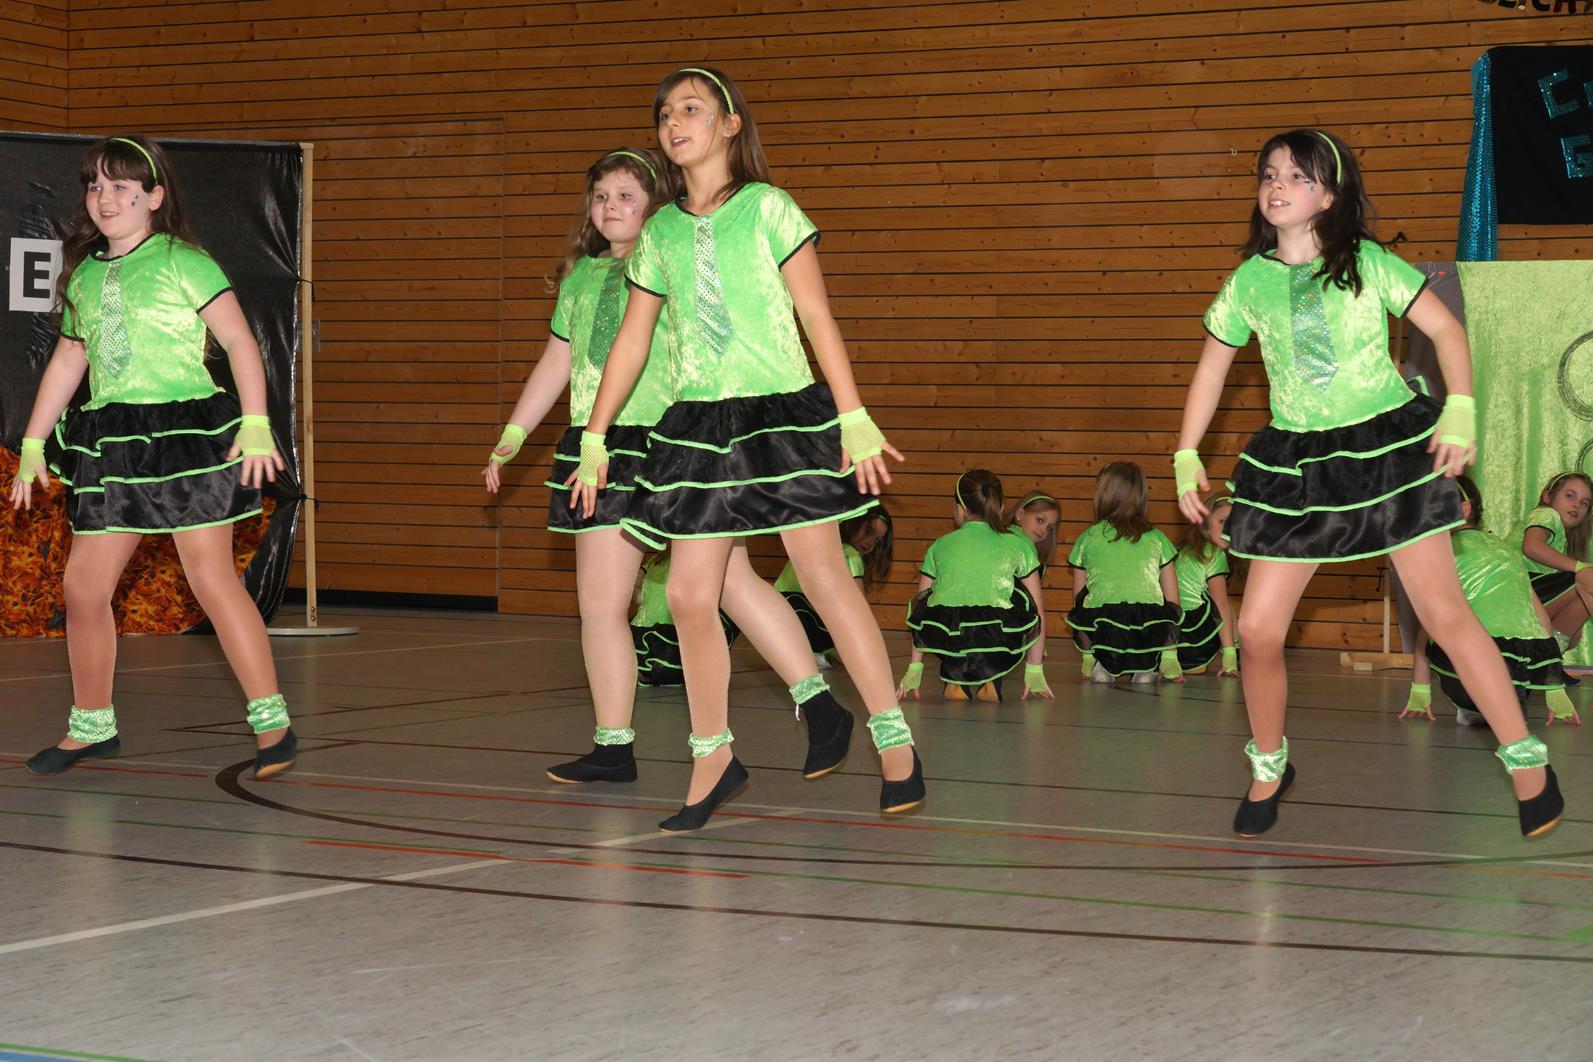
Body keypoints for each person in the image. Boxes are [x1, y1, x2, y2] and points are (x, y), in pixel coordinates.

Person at [1175, 128, 1562, 837]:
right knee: (1256, 631)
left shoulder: (1368, 263)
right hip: (1296, 464)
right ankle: (1269, 765)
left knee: (1444, 612)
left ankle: (1525, 759)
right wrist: (1185, 452)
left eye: (1297, 176)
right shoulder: (1247, 283)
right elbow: (1210, 370)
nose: (1277, 186)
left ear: (1329, 195)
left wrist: (1460, 406)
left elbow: (1446, 332)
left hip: (1386, 452)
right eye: (1269, 174)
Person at [569, 67, 923, 829]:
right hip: (700, 425)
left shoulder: (769, 207)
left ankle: (893, 742)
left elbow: (815, 315)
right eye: (664, 113)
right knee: (689, 596)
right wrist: (594, 435)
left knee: (823, 578)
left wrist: (853, 414)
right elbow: (632, 339)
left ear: (730, 124)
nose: (673, 123)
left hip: (782, 413)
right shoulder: (659, 233)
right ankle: (713, 757)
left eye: (690, 109)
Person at [484, 148, 858, 785]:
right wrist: (514, 433)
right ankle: (613, 744)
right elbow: (556, 361)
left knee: (730, 583)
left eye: (626, 196)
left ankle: (819, 704)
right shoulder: (579, 279)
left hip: (671, 444)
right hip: (600, 450)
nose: (611, 207)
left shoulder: (669, 260)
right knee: (600, 603)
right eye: (601, 197)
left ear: (655, 205)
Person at [10, 136, 295, 779]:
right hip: (113, 440)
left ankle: (272, 721)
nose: (106, 198)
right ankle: (91, 725)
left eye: (121, 187)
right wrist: (31, 443)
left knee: (211, 578)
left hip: (184, 434)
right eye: (95, 187)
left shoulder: (182, 260)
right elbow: (69, 359)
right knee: (83, 587)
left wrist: (255, 422)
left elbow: (239, 340)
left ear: (155, 197)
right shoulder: (84, 275)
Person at [1402, 476, 1579, 727]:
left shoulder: (1443, 552)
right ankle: (1500, 707)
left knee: (1437, 620)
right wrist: (1555, 691)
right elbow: (1541, 622)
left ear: (1463, 509)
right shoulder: (1505, 550)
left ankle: (1474, 707)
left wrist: (1420, 692)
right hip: (1520, 680)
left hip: (1472, 676)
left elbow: (1429, 624)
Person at [897, 471, 1046, 703]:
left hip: (948, 633)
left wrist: (915, 666)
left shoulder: (939, 545)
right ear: (1001, 507)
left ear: (959, 509)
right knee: (1020, 596)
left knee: (935, 602)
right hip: (996, 632)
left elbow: (919, 614)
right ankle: (992, 679)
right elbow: (1038, 611)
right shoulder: (1019, 545)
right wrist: (1035, 668)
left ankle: (954, 678)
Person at [1066, 462, 1181, 685]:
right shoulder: (1157, 538)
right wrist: (1169, 655)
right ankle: (1144, 668)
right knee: (1158, 616)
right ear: (1141, 497)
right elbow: (1173, 601)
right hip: (1147, 627)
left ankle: (1102, 664)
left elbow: (1078, 600)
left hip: (1105, 625)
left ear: (1103, 495)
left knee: (1085, 608)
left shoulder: (1088, 537)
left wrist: (1087, 655)